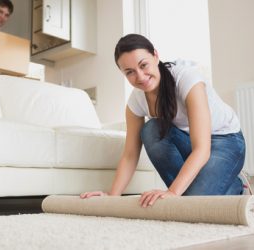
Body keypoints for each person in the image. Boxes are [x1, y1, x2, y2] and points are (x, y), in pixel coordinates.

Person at [80, 34, 248, 207]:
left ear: (156, 55)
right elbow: (130, 155)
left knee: (192, 204)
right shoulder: (135, 102)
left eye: (143, 65)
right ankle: (204, 190)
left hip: (226, 142)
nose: (140, 76)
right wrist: (112, 196)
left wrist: (173, 192)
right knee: (151, 130)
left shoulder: (187, 79)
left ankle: (237, 186)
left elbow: (202, 149)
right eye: (130, 72)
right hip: (189, 142)